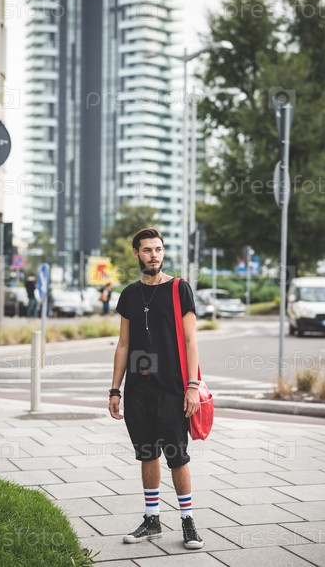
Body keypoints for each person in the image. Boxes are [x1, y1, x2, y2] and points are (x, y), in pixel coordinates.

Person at [108, 227, 204, 550]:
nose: (154, 255)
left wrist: (192, 386)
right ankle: (152, 520)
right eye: (148, 250)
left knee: (177, 456)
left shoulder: (179, 289)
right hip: (138, 389)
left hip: (172, 389)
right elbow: (123, 345)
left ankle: (188, 522)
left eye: (158, 249)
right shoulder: (129, 295)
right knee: (147, 454)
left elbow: (190, 341)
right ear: (136, 253)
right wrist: (115, 390)